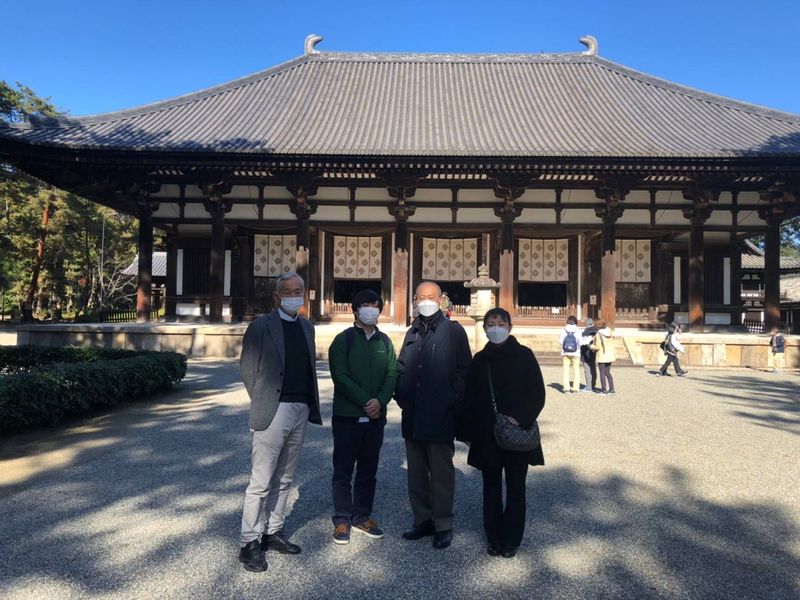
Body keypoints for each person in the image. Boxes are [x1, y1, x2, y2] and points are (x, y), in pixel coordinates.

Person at [237, 272, 322, 573]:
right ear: (276, 297)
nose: (294, 296)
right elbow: (248, 369)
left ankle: (273, 530)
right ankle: (249, 541)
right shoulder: (261, 327)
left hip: (300, 408)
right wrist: (262, 400)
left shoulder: (307, 328)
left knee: (285, 477)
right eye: (288, 291)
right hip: (273, 409)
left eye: (298, 290)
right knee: (261, 480)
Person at [459, 308, 546, 558]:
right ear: (484, 328)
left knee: (517, 487)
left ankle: (512, 539)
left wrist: (520, 417)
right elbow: (470, 399)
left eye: (500, 322)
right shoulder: (480, 360)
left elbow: (537, 393)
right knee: (491, 488)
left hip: (518, 431)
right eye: (491, 323)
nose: (495, 327)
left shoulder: (524, 355)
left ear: (510, 326)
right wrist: (466, 430)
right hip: (487, 434)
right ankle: (494, 537)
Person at [395, 281, 472, 549]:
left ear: (441, 300)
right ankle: (422, 519)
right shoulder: (411, 332)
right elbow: (401, 366)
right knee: (416, 472)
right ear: (414, 300)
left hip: (441, 414)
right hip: (413, 413)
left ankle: (443, 523)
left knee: (441, 472)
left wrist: (453, 404)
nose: (425, 301)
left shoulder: (453, 331)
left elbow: (464, 372)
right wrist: (401, 397)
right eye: (420, 297)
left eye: (431, 297)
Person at [328, 290, 397, 545]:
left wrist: (380, 400)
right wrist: (366, 401)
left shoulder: (385, 342)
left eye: (375, 305)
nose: (371, 309)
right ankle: (342, 519)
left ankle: (362, 516)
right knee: (343, 469)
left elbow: (392, 373)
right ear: (355, 310)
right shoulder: (342, 340)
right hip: (347, 415)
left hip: (376, 417)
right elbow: (340, 376)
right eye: (365, 305)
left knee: (369, 469)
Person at [592, 319, 616, 394]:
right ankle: (612, 389)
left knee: (602, 373)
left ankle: (604, 390)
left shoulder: (598, 334)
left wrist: (590, 346)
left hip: (602, 355)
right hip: (610, 354)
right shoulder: (609, 331)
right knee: (608, 372)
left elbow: (597, 346)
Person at [558, 315, 581, 394]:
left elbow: (560, 342)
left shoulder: (563, 330)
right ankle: (575, 389)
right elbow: (580, 342)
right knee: (576, 370)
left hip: (565, 353)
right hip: (576, 353)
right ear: (575, 322)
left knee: (566, 370)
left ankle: (566, 388)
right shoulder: (578, 330)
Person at [580, 317, 598, 393]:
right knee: (593, 369)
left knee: (587, 370)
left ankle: (588, 387)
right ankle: (593, 385)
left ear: (586, 324)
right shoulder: (596, 331)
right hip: (594, 352)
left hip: (586, 352)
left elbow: (581, 342)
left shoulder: (585, 332)